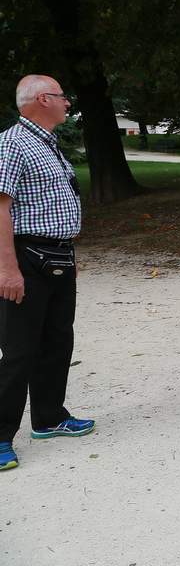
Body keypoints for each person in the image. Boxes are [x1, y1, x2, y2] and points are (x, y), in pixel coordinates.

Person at [0, 75, 93, 473]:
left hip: (58, 256)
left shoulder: (46, 142)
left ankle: (49, 417)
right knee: (19, 350)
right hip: (26, 258)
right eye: (61, 96)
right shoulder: (13, 143)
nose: (67, 102)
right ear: (42, 99)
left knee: (57, 341)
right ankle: (2, 436)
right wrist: (7, 268)